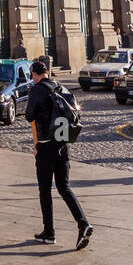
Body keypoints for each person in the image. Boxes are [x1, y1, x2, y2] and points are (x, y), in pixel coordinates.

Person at [25, 61, 92, 250]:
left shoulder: (37, 89)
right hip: (63, 144)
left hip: (46, 146)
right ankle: (83, 223)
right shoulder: (59, 86)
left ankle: (49, 232)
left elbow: (29, 116)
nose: (32, 78)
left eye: (32, 75)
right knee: (64, 187)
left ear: (36, 74)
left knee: (45, 190)